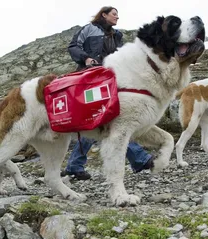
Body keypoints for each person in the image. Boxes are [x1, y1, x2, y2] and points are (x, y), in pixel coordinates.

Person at [61, 6, 154, 180]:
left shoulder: (117, 35)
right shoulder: (89, 29)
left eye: (118, 14)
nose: (117, 17)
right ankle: (140, 159)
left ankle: (74, 165)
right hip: (88, 79)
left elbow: (120, 55)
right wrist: (86, 58)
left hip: (109, 80)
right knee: (97, 118)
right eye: (114, 14)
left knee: (103, 118)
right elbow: (73, 46)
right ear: (104, 14)